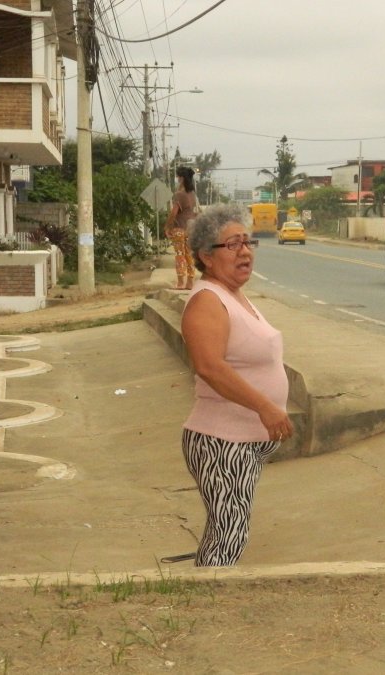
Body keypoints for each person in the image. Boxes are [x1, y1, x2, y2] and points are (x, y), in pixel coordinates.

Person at [180, 204, 294, 566]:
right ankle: (205, 604)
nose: (245, 252)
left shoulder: (233, 296)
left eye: (247, 243)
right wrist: (265, 407)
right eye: (232, 245)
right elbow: (210, 367)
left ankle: (205, 597)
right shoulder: (207, 302)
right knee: (229, 533)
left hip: (243, 441)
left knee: (227, 528)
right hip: (221, 440)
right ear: (205, 257)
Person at [166, 166, 199, 289]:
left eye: (178, 177)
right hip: (190, 228)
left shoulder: (179, 195)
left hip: (179, 228)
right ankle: (190, 282)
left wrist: (168, 226)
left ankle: (180, 282)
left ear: (181, 178)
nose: (176, 179)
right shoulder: (192, 195)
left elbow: (174, 213)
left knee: (180, 255)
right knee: (189, 255)